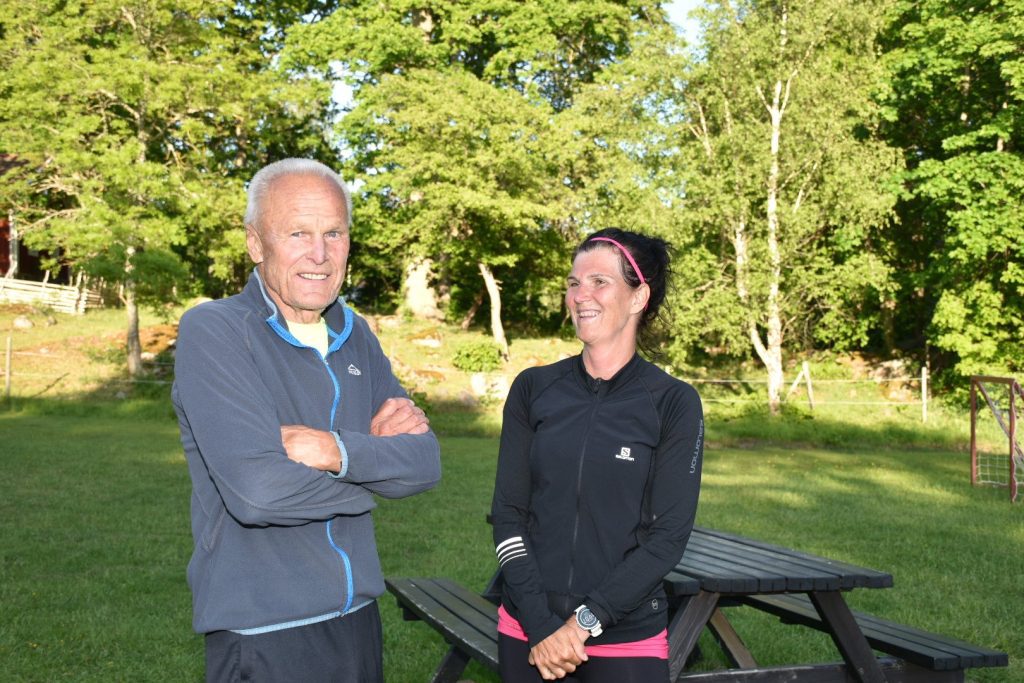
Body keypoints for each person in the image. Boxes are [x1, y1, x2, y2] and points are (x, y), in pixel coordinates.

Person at [172, 158, 441, 683]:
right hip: (263, 631)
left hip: (359, 620)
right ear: (256, 243)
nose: (319, 254)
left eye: (334, 233)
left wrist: (334, 451)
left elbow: (426, 464)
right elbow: (257, 494)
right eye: (298, 232)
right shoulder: (217, 331)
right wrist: (370, 475)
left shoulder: (355, 332)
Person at [490, 228, 704, 682]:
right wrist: (542, 626)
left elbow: (666, 540)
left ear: (638, 296)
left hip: (627, 637)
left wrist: (581, 623)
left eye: (599, 282)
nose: (580, 295)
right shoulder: (534, 389)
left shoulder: (672, 403)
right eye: (573, 283)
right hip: (528, 629)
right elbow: (508, 515)